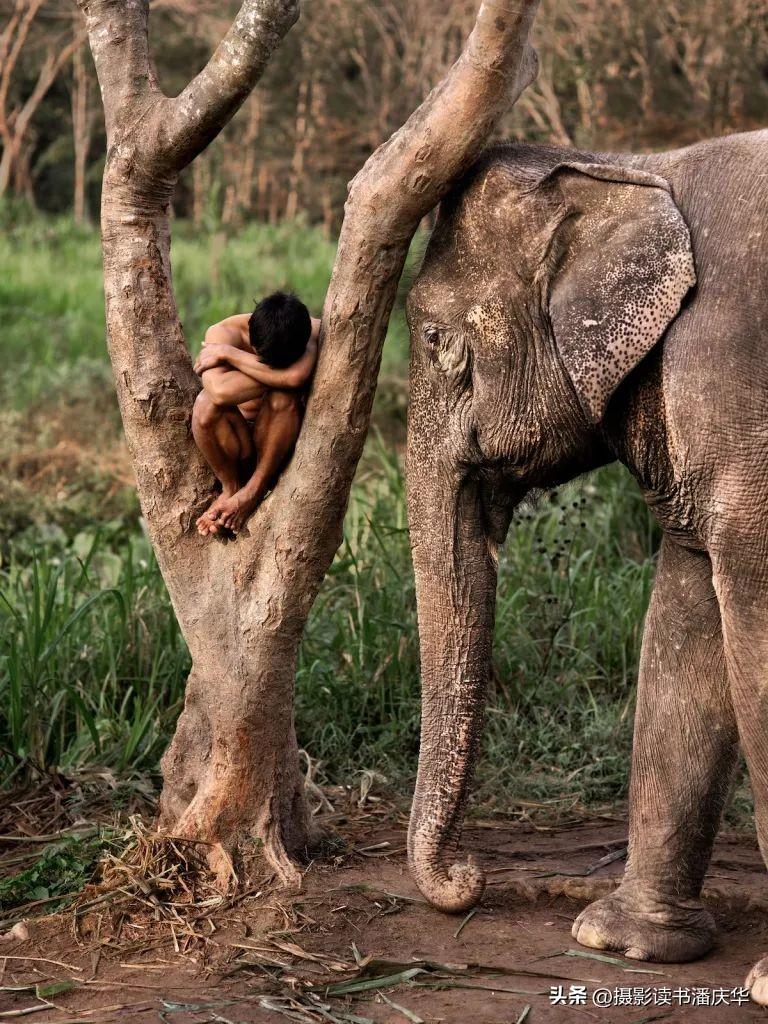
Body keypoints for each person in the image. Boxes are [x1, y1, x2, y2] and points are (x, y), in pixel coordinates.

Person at [192, 291, 319, 536]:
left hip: (278, 447)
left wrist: (230, 355)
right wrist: (282, 376)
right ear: (252, 339)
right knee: (205, 402)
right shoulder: (222, 333)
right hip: (234, 444)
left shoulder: (311, 330)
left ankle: (253, 491)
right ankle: (231, 489)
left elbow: (295, 378)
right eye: (264, 359)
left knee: (283, 396)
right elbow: (219, 392)